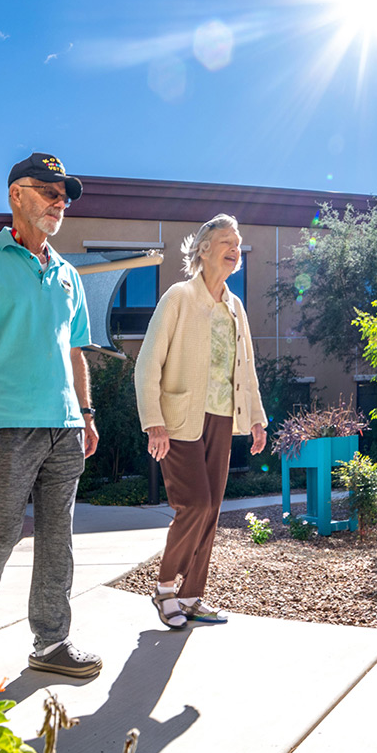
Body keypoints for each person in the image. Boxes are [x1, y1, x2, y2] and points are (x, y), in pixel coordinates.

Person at [0, 152, 102, 679]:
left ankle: (51, 643)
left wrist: (88, 413)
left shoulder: (69, 275)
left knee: (59, 539)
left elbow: (76, 352)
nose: (60, 202)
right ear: (17, 195)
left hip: (65, 426)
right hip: (4, 422)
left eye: (65, 196)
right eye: (50, 191)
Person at [135, 214, 268, 629]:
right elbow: (147, 362)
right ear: (204, 249)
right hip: (180, 420)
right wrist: (154, 421)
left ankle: (192, 595)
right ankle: (163, 589)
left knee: (212, 511)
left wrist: (258, 419)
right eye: (227, 241)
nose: (235, 248)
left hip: (223, 418)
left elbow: (247, 368)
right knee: (195, 503)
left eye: (239, 242)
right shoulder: (179, 296)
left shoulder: (234, 306)